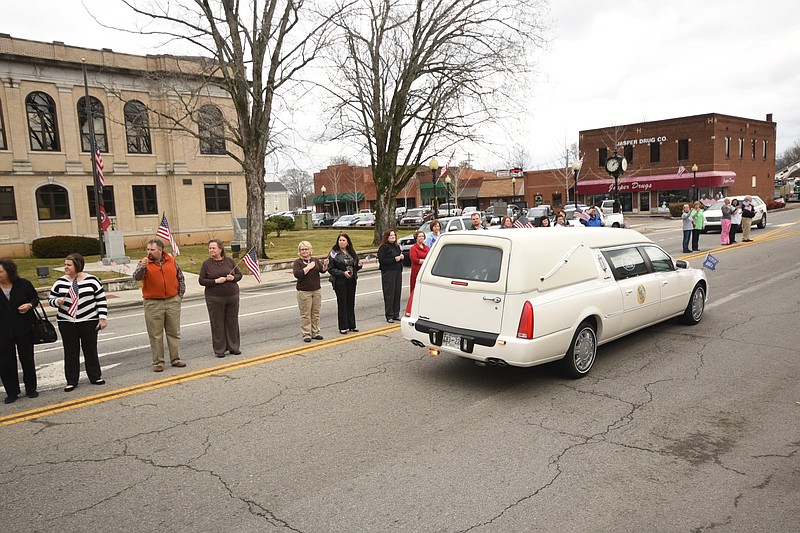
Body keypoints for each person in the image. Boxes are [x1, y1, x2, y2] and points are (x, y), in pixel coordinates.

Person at [48, 253, 107, 392]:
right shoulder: (60, 282)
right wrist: (56, 301)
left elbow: (101, 300)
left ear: (78, 265)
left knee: (90, 349)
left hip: (89, 320)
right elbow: (50, 299)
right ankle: (71, 380)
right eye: (65, 264)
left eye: (69, 265)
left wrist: (102, 318)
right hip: (67, 322)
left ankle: (95, 376)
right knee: (70, 352)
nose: (65, 267)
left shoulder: (92, 280)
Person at [133, 238, 187, 372]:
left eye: (152, 249)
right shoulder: (144, 263)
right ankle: (158, 362)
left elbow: (180, 278)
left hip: (172, 301)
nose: (149, 252)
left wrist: (179, 296)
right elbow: (137, 277)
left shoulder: (172, 261)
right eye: (148, 249)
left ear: (160, 250)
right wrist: (142, 266)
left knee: (173, 332)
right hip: (153, 303)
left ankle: (175, 359)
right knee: (156, 334)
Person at [0, 259, 39, 403]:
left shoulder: (23, 284)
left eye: (1, 271)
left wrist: (29, 305)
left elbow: (35, 298)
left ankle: (31, 389)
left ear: (9, 271)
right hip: (3, 331)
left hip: (24, 328)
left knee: (27, 358)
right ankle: (12, 392)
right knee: (5, 362)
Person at [198, 239, 242, 357]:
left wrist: (233, 278)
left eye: (213, 248)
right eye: (210, 248)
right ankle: (220, 349)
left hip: (232, 296)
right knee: (217, 323)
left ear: (220, 249)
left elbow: (239, 275)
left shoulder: (229, 261)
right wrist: (215, 281)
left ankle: (234, 347)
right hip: (214, 298)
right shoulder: (207, 264)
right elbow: (201, 280)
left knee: (232, 322)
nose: (211, 250)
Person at [292, 241, 328, 343]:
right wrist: (308, 267)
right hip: (304, 291)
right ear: (299, 251)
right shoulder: (297, 262)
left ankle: (316, 332)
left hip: (316, 290)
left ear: (310, 250)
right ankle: (306, 334)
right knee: (305, 314)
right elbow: (297, 274)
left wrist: (325, 265)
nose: (304, 251)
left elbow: (322, 270)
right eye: (302, 249)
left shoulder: (315, 260)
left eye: (306, 249)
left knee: (315, 312)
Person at [328, 233, 362, 334]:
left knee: (350, 303)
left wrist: (359, 266)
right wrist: (342, 273)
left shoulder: (351, 252)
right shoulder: (334, 253)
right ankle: (343, 326)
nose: (341, 242)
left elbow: (355, 265)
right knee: (342, 303)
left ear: (347, 242)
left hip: (351, 281)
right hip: (340, 282)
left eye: (343, 240)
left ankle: (352, 325)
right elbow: (331, 269)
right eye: (340, 240)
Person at [377, 229, 404, 323]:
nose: (393, 237)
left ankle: (396, 313)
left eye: (394, 235)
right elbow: (382, 260)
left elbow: (398, 256)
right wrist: (394, 259)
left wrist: (401, 258)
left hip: (397, 271)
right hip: (388, 272)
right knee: (389, 294)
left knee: (397, 293)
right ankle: (389, 315)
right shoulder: (384, 247)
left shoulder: (396, 246)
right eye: (391, 235)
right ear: (386, 237)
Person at [408, 230, 429, 296]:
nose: (421, 238)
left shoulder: (427, 248)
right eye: (419, 236)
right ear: (416, 238)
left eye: (422, 236)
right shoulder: (413, 248)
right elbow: (414, 259)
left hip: (425, 270)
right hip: (417, 270)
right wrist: (424, 261)